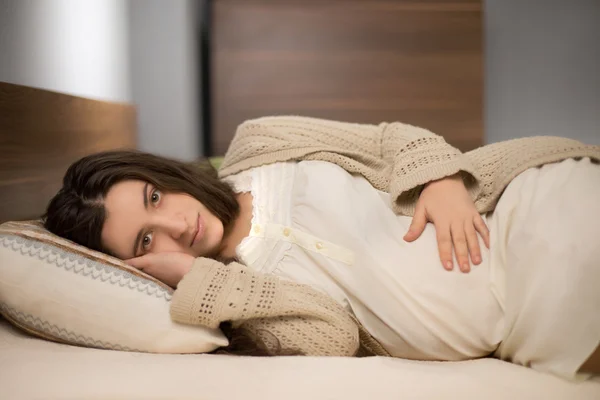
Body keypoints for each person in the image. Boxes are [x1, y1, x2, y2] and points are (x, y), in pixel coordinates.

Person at [44, 116, 600, 380]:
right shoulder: (239, 304)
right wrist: (198, 279)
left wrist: (441, 182)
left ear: (160, 174)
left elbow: (388, 140)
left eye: (154, 196)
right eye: (146, 238)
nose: (174, 224)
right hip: (519, 323)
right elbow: (334, 337)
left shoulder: (259, 142)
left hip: (516, 210)